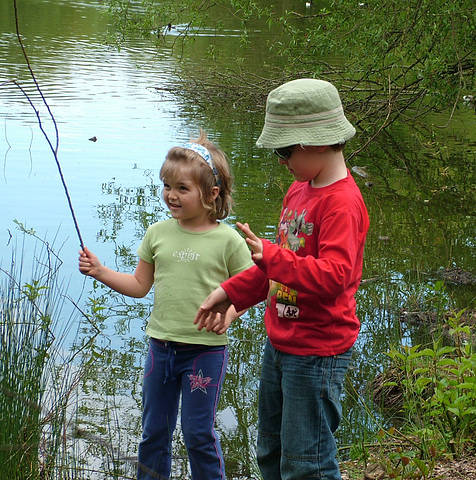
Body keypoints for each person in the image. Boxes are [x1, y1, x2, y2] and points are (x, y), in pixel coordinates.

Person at [194, 78, 370, 480]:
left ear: (318, 142)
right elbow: (277, 271)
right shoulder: (298, 192)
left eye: (284, 150)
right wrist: (229, 294)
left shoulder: (342, 204)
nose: (280, 159)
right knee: (270, 450)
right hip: (281, 344)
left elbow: (335, 276)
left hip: (317, 353)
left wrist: (272, 255)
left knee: (307, 463)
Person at [78, 130, 253, 480]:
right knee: (153, 431)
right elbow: (140, 285)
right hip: (161, 348)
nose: (171, 196)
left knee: (197, 433)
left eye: (182, 189)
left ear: (211, 195)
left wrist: (229, 315)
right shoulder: (157, 233)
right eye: (167, 186)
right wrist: (101, 271)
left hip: (205, 351)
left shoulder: (229, 240)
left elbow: (250, 289)